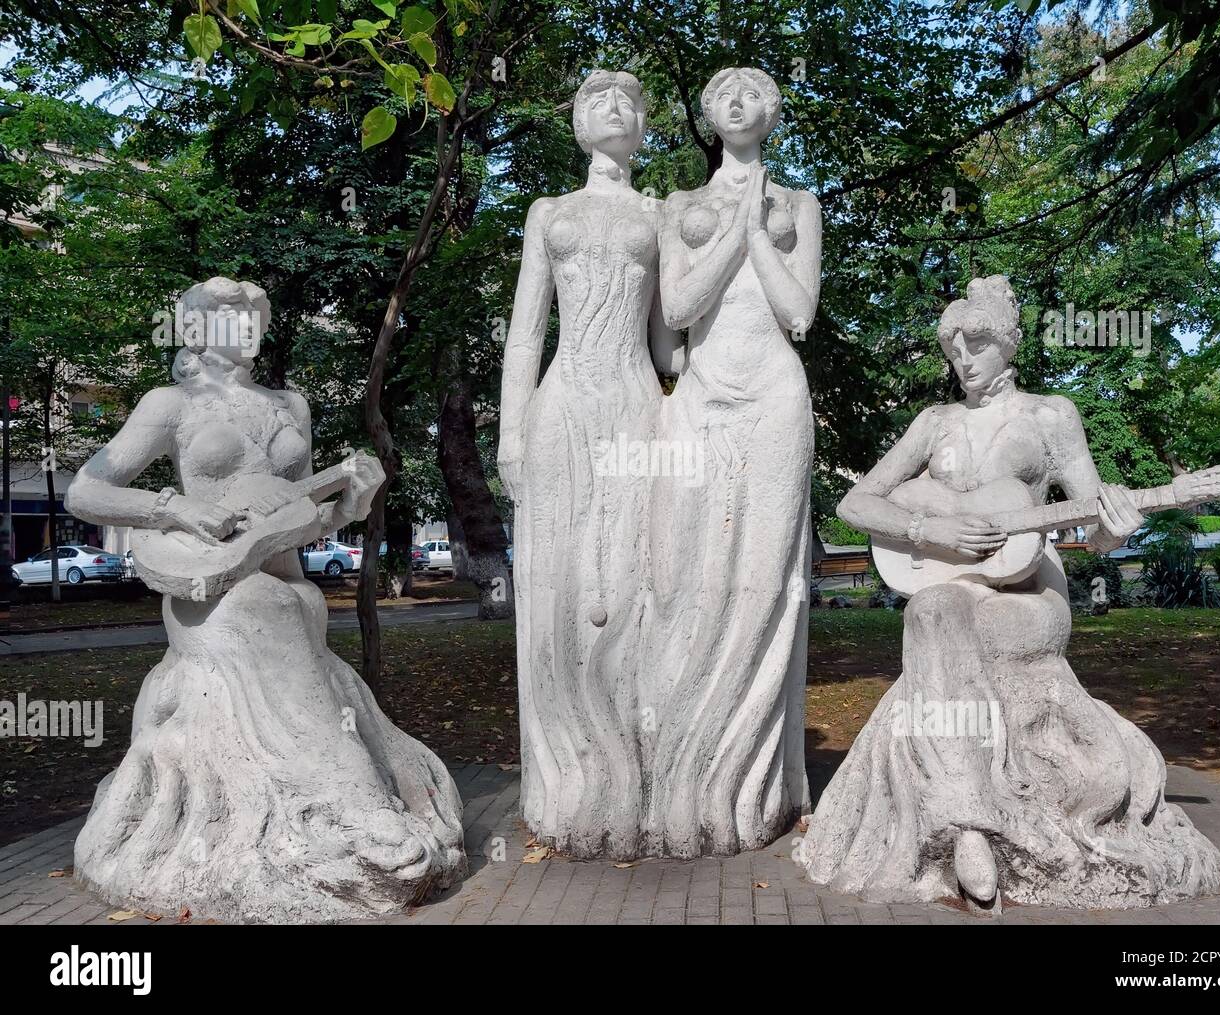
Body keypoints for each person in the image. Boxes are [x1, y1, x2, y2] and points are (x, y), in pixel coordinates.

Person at [796, 276, 1220, 908]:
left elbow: (1095, 529)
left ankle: (980, 818)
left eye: (977, 344)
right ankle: (968, 821)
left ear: (1010, 343)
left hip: (1030, 590)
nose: (963, 359)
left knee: (975, 624)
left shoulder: (1052, 415)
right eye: (954, 347)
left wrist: (1115, 526)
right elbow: (856, 501)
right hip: (955, 583)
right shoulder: (934, 422)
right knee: (933, 608)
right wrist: (929, 526)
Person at [64, 277, 464, 921]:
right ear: (193, 330)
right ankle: (351, 805)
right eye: (232, 317)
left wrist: (351, 504)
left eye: (256, 316)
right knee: (270, 609)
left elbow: (294, 518)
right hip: (212, 597)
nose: (249, 326)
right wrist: (174, 509)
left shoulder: (290, 404)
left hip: (282, 578)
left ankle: (339, 805)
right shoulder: (169, 404)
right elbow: (86, 492)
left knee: (296, 602)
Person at [497, 71, 674, 858]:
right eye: (598, 100)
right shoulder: (549, 213)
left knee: (633, 578)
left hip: (638, 401)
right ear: (576, 124)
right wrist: (509, 431)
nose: (614, 109)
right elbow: (525, 332)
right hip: (561, 404)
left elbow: (672, 340)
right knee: (562, 583)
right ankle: (564, 780)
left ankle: (634, 774)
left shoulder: (664, 215)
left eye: (629, 103)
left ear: (642, 129)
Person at [648, 66, 822, 856]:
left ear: (774, 112)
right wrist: (734, 229)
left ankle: (762, 785)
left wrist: (758, 229)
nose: (741, 100)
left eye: (755, 91)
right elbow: (678, 312)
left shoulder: (802, 206)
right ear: (708, 114)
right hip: (703, 392)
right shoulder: (679, 208)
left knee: (769, 575)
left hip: (777, 398)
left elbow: (799, 312)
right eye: (726, 92)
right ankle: (687, 767)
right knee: (690, 573)